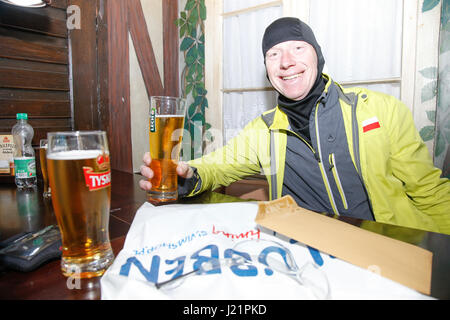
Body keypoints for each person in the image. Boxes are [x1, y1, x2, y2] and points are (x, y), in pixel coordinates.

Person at [140, 17, 450, 235]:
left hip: (386, 249)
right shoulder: (263, 131)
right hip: (303, 255)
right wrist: (184, 177)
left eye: (298, 48)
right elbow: (214, 167)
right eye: (273, 54)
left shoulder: (381, 110)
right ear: (268, 70)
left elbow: (429, 191)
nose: (286, 61)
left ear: (318, 56)